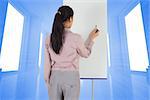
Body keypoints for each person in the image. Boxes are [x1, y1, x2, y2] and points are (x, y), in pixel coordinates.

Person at [44, 5, 100, 100]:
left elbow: (47, 63)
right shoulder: (76, 38)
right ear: (70, 19)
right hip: (71, 78)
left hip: (54, 78)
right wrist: (91, 39)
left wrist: (48, 81)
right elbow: (85, 53)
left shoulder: (49, 38)